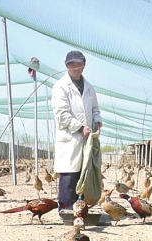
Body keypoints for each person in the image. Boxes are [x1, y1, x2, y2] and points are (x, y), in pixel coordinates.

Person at [51, 50, 102, 210]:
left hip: (86, 138)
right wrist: (79, 127)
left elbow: (95, 109)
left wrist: (97, 120)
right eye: (72, 65)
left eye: (79, 64)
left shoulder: (89, 88)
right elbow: (61, 115)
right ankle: (65, 209)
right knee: (69, 175)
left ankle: (80, 210)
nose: (76, 68)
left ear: (84, 65)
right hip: (70, 139)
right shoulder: (60, 87)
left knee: (84, 174)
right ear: (67, 66)